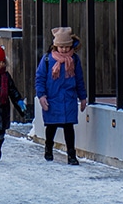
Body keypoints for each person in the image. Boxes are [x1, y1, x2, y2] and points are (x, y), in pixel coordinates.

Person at [34, 26, 87, 165]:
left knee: (69, 128)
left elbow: (79, 80)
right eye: (61, 47)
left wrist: (83, 97)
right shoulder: (47, 60)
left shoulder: (74, 60)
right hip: (52, 99)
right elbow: (40, 79)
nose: (64, 50)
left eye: (66, 47)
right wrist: (41, 95)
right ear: (55, 46)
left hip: (68, 99)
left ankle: (71, 155)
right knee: (51, 127)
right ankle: (48, 149)